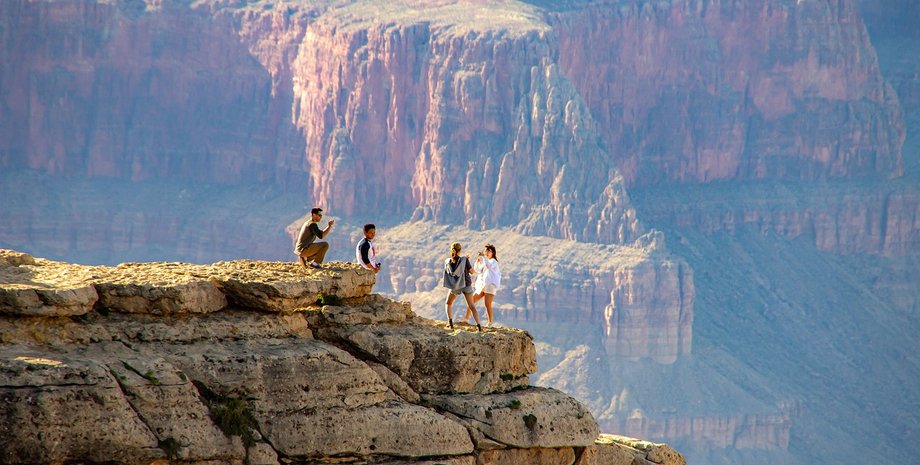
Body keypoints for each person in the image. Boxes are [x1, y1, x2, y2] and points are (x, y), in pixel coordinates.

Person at [442, 242, 482, 332]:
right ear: (460, 251)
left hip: (456, 286)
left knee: (448, 303)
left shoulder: (447, 261)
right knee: (472, 306)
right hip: (466, 285)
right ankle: (479, 326)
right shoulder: (464, 260)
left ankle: (450, 324)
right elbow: (471, 272)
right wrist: (466, 261)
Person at [466, 244, 501, 327]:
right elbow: (477, 270)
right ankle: (466, 319)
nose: (487, 253)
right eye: (486, 251)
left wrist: (483, 257)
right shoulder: (486, 261)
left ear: (493, 253)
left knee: (487, 304)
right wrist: (478, 261)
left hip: (490, 285)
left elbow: (489, 266)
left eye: (489, 251)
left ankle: (490, 322)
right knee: (472, 300)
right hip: (483, 285)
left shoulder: (493, 262)